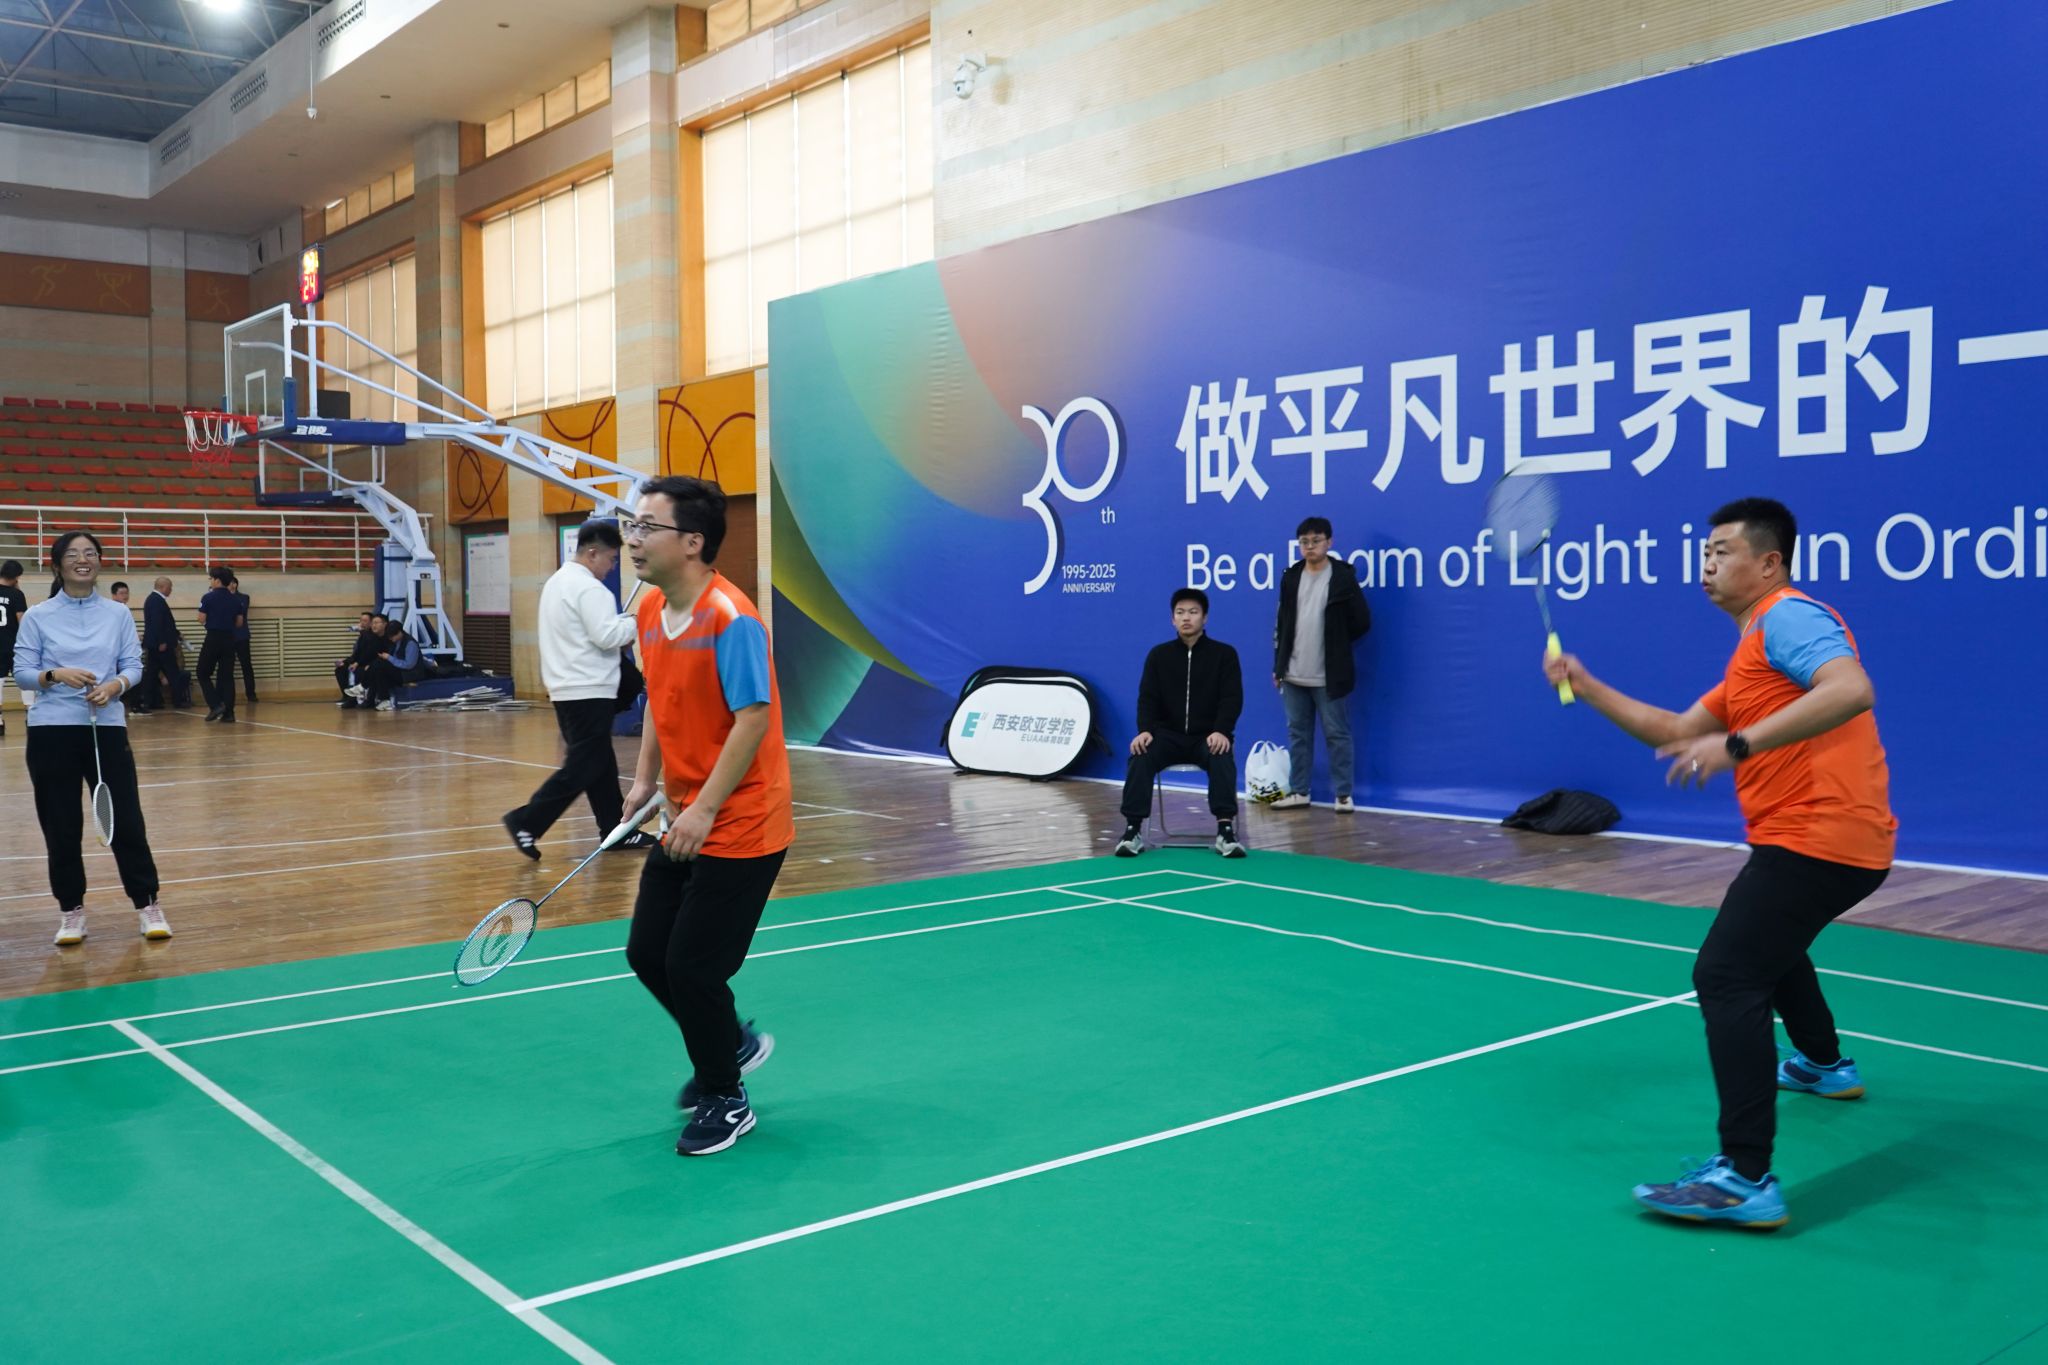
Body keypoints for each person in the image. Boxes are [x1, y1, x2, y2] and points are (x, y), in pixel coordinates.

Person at [1543, 497, 1895, 1230]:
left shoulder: (1788, 616)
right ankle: (1824, 1065)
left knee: (1727, 973)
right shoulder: (1750, 653)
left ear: (1769, 563)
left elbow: (1851, 689)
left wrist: (1737, 745)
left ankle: (1743, 1177)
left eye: (1723, 551)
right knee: (1770, 946)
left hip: (1818, 835)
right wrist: (1586, 682)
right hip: (1827, 840)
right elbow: (1675, 731)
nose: (1707, 564)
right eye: (1704, 552)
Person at [620, 476, 794, 1157]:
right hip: (684, 812)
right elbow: (659, 701)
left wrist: (706, 807)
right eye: (631, 525)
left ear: (692, 542)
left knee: (693, 967)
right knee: (647, 952)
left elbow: (753, 718)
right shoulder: (649, 610)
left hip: (742, 821)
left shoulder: (731, 618)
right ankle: (732, 1043)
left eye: (647, 526)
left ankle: (726, 1095)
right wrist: (644, 780)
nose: (633, 539)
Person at [13, 530, 170, 945]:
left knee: (127, 822)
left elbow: (133, 664)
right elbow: (23, 672)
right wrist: (55, 675)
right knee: (61, 826)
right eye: (73, 554)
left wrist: (116, 686)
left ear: (99, 561)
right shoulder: (39, 616)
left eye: (90, 553)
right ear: (57, 564)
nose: (82, 560)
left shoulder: (117, 614)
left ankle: (148, 905)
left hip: (107, 729)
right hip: (51, 731)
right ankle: (71, 912)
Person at [503, 521, 656, 859]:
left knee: (599, 763)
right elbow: (607, 637)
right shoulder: (590, 589)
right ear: (593, 553)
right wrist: (637, 620)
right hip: (589, 690)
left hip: (566, 688)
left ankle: (616, 829)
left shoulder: (557, 582)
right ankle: (527, 821)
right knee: (584, 765)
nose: (612, 567)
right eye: (612, 559)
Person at [1114, 588, 1246, 859]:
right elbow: (1147, 699)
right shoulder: (1158, 655)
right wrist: (1145, 730)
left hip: (1206, 737)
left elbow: (1231, 698)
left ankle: (1225, 831)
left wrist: (1221, 731)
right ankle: (1132, 831)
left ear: (1205, 618)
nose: (1187, 618)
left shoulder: (1224, 654)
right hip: (1167, 737)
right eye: (1180, 612)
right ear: (1172, 619)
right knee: (1140, 754)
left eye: (1193, 612)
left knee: (1221, 753)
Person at [1270, 516, 1371, 812]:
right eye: (1304, 542)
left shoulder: (1342, 577)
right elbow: (1282, 623)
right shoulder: (1291, 577)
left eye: (1316, 540)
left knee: (1337, 734)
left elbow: (1362, 621)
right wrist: (1278, 666)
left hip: (1329, 674)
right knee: (1297, 735)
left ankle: (1343, 794)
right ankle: (1299, 791)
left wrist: (1337, 643)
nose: (1310, 546)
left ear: (1329, 542)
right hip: (1292, 673)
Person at [194, 566, 242, 723]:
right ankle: (229, 713)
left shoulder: (208, 597)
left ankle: (215, 705)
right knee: (227, 676)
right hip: (230, 638)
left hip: (213, 637)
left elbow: (201, 619)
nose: (210, 581)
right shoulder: (236, 599)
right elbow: (239, 622)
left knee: (202, 672)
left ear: (217, 580)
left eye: (211, 579)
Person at [134, 577, 180, 713]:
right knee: (171, 672)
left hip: (155, 644)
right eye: (170, 587)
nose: (171, 590)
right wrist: (162, 641)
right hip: (160, 645)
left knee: (152, 674)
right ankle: (177, 700)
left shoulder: (154, 599)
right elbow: (157, 623)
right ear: (163, 587)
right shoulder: (156, 601)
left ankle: (149, 701)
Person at [363, 619, 423, 710]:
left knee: (380, 665)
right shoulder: (396, 642)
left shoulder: (410, 643)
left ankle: (363, 686)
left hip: (410, 674)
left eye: (392, 636)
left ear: (399, 632)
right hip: (399, 671)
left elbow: (409, 665)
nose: (391, 638)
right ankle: (382, 700)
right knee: (378, 668)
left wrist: (389, 658)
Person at [0, 558, 28, 738]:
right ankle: (31, 716)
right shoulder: (16, 595)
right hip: (14, 645)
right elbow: (22, 622)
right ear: (16, 576)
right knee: (25, 680)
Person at [335, 611, 384, 707]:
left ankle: (356, 699)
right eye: (361, 620)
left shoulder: (372, 636)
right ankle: (347, 696)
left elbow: (369, 653)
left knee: (356, 671)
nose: (362, 623)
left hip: (368, 663)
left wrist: (357, 663)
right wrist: (345, 661)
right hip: (359, 662)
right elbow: (356, 654)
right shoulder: (362, 636)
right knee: (340, 669)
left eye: (365, 621)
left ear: (370, 623)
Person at [228, 573, 257, 703]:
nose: (230, 585)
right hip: (227, 636)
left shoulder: (244, 597)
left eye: (232, 583)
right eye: (228, 583)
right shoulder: (222, 597)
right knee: (227, 666)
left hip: (241, 636)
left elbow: (241, 612)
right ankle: (228, 695)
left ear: (236, 584)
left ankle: (251, 693)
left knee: (246, 665)